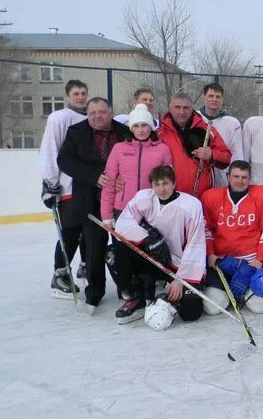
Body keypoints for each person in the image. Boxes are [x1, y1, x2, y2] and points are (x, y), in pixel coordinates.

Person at [57, 97, 130, 308]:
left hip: (120, 201)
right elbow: (64, 160)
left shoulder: (125, 131)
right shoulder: (76, 132)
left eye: (102, 112)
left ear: (111, 111)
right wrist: (94, 175)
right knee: (93, 247)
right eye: (92, 113)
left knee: (122, 247)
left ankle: (125, 287)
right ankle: (95, 291)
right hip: (89, 200)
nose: (97, 116)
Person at [113, 166, 206, 327]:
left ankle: (165, 300)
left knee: (191, 313)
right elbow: (124, 222)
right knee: (115, 252)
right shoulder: (143, 198)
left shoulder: (191, 205)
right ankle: (138, 296)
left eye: (165, 183)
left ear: (174, 183)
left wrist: (180, 280)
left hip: (178, 264)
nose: (161, 189)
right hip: (154, 258)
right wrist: (148, 239)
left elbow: (195, 245)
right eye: (156, 185)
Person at [201, 160, 263, 315]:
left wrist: (260, 260)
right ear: (228, 177)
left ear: (250, 178)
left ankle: (245, 293)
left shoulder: (262, 194)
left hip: (252, 262)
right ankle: (231, 293)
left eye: (244, 177)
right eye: (236, 176)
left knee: (259, 306)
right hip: (222, 262)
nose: (239, 181)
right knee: (213, 307)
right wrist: (211, 254)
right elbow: (206, 229)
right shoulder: (211, 197)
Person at [39, 79, 89, 297]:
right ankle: (60, 275)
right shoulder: (59, 118)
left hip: (88, 186)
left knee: (89, 231)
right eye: (76, 93)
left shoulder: (90, 117)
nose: (80, 97)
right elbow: (49, 150)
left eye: (83, 93)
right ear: (68, 95)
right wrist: (50, 183)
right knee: (70, 233)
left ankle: (85, 265)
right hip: (67, 187)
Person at [100, 105, 173, 225]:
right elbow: (109, 182)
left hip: (152, 208)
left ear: (151, 127)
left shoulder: (162, 149)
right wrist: (106, 214)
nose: (140, 130)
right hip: (123, 208)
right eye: (136, 126)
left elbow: (168, 181)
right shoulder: (119, 149)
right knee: (123, 244)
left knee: (151, 244)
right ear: (131, 128)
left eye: (144, 125)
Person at [158, 92, 232, 197]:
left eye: (186, 108)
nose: (182, 112)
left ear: (192, 109)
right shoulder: (160, 133)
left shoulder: (206, 129)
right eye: (177, 107)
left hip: (201, 197)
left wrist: (211, 155)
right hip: (170, 197)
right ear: (170, 108)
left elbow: (226, 157)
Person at [198, 83, 243, 188]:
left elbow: (237, 154)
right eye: (211, 96)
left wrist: (235, 177)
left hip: (223, 177)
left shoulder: (233, 123)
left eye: (218, 96)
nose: (214, 99)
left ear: (222, 99)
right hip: (199, 176)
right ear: (204, 98)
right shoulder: (194, 117)